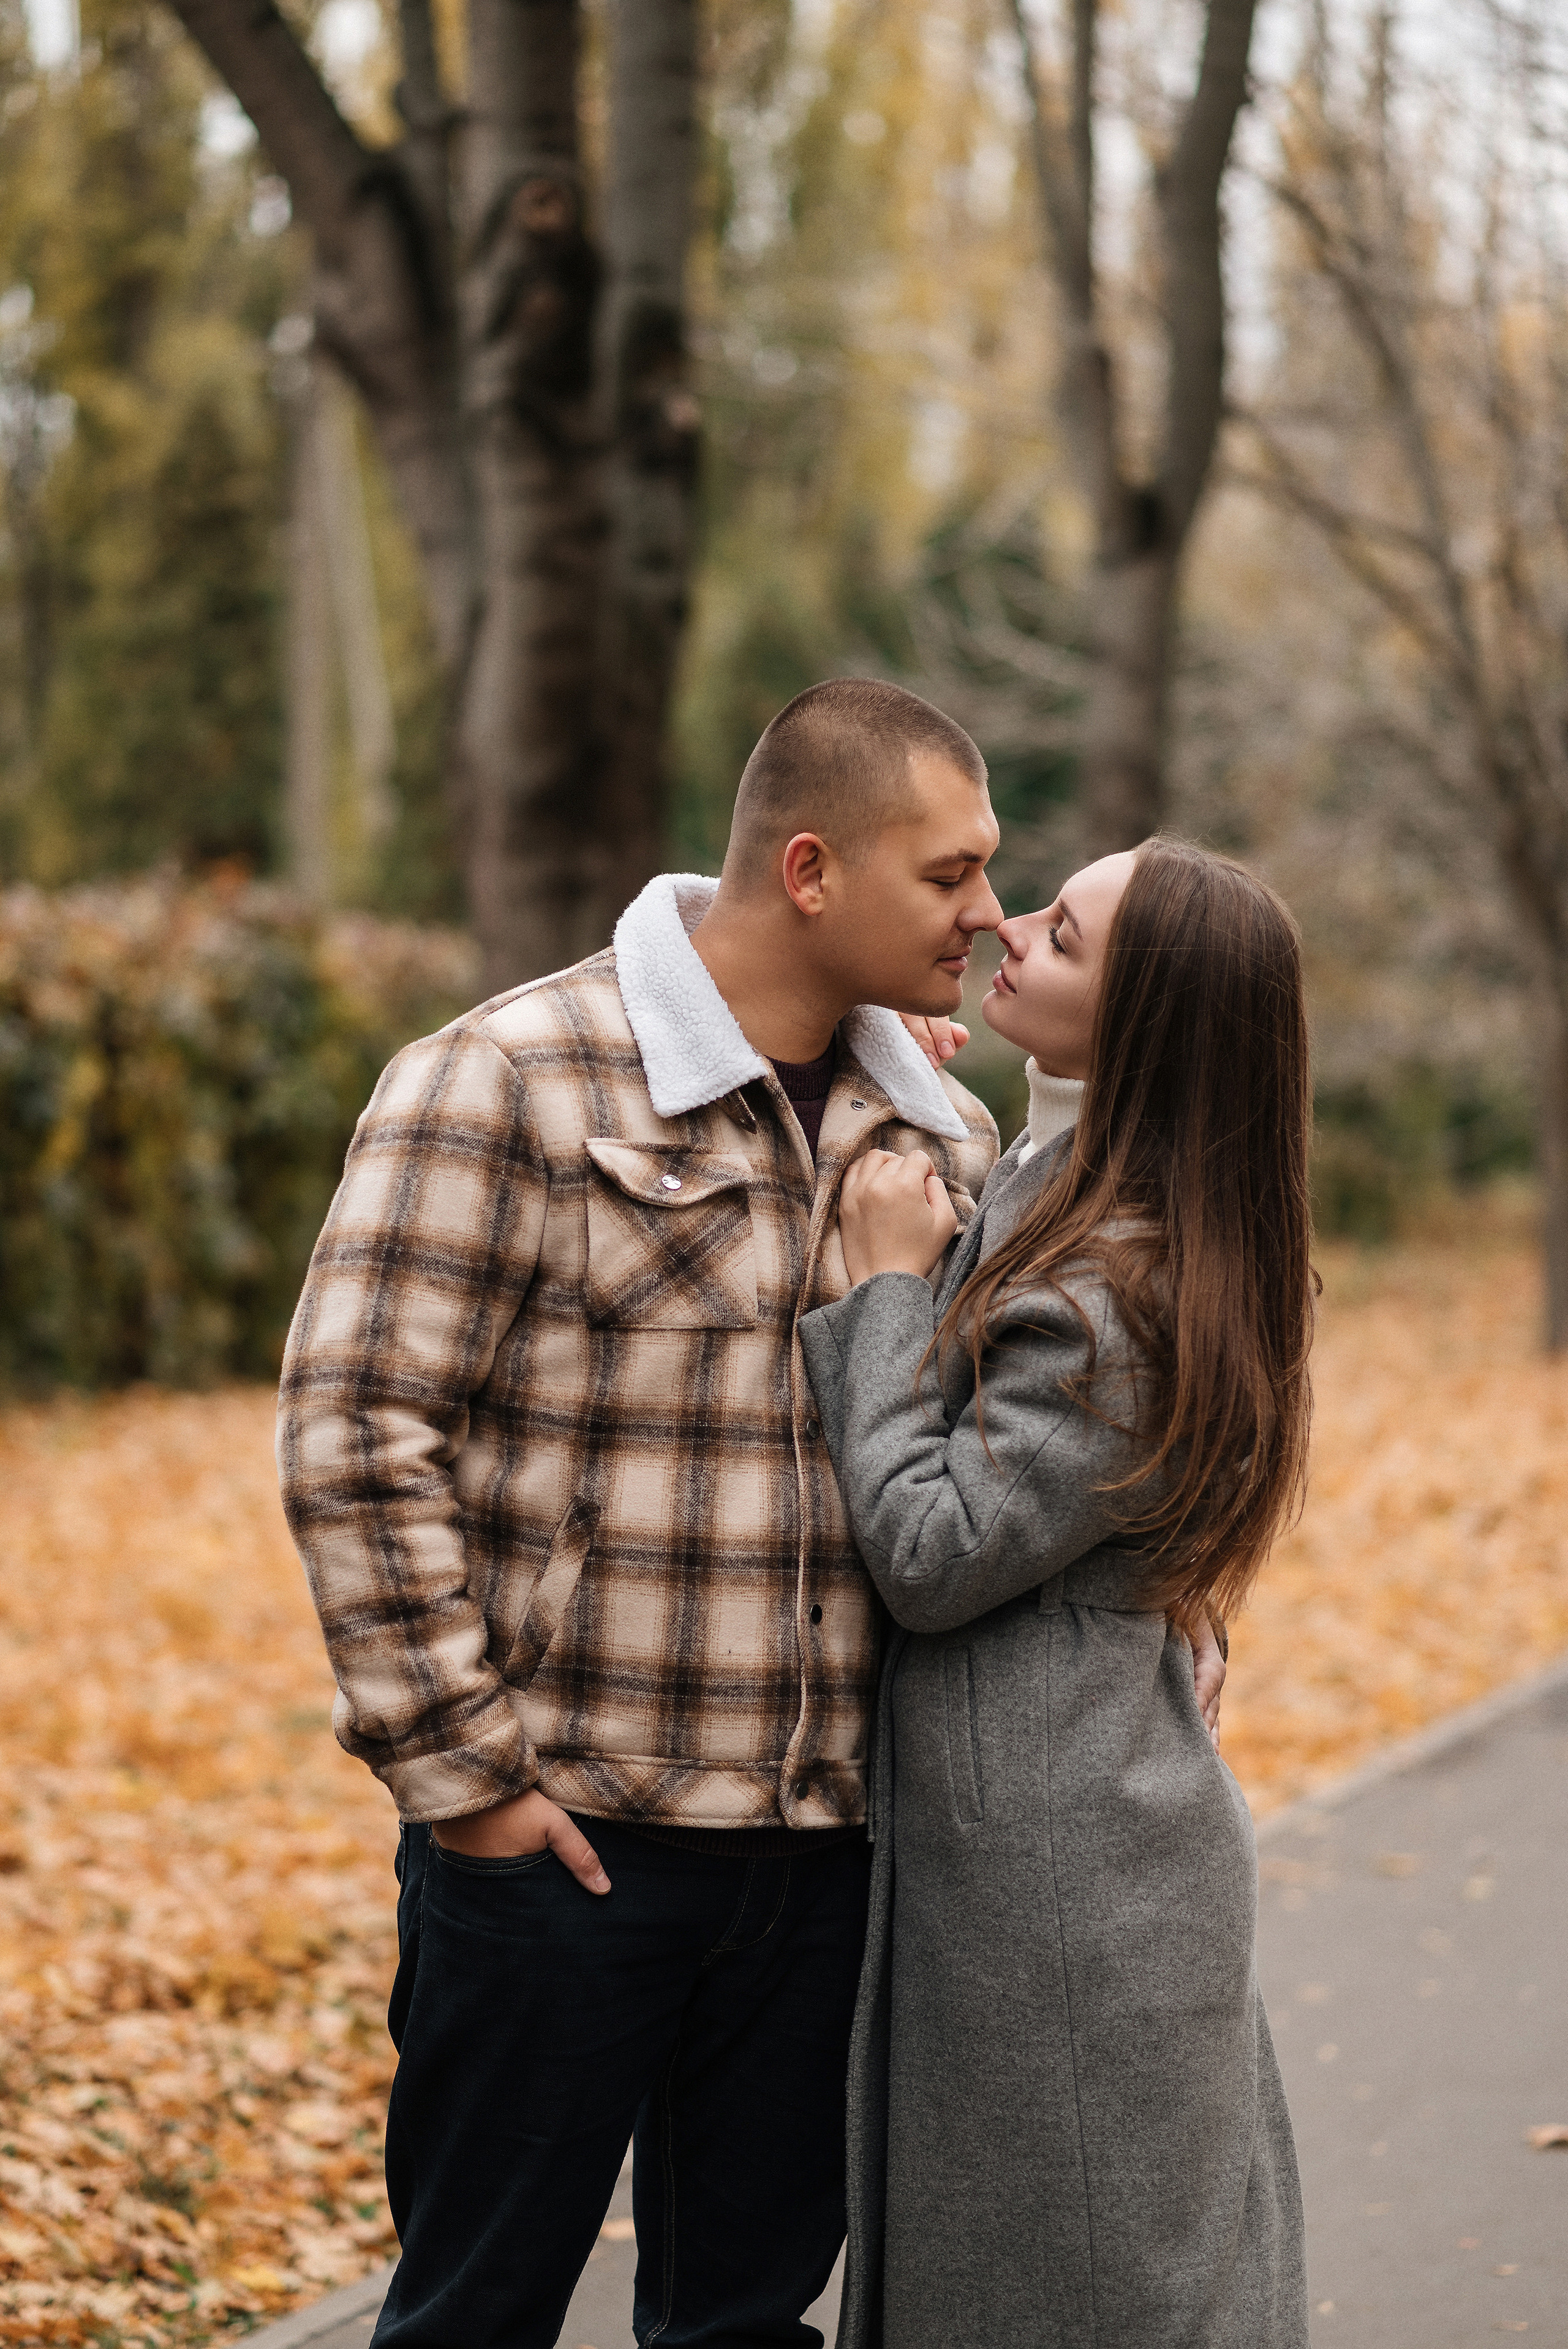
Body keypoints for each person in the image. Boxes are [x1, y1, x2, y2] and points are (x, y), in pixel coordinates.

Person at [276, 679, 1008, 2348]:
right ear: (812, 870)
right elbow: (354, 1426)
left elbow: (975, 1457)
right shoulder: (506, 1077)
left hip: (830, 1864)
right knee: (475, 2317)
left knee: (746, 2328)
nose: (988, 912)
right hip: (567, 1854)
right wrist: (464, 1781)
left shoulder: (946, 1129)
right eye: (951, 874)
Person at [799, 837, 1313, 2348]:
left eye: (1064, 938)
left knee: (1078, 2285)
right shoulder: (1070, 1179)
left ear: (1140, 1016)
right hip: (1051, 1826)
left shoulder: (1121, 1278)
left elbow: (939, 1553)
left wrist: (885, 1291)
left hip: (1063, 1878)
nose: (1010, 930)